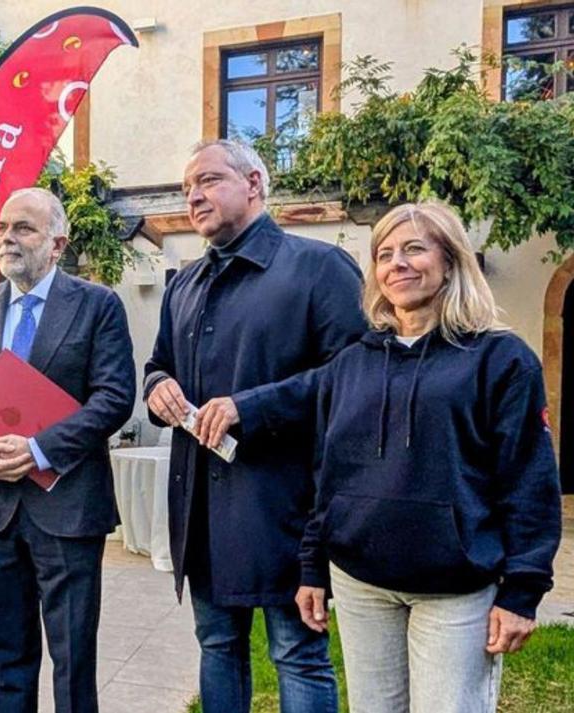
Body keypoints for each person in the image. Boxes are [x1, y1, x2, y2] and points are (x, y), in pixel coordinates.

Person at [279, 201, 563, 713]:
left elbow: (528, 479)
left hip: (456, 587)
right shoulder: (350, 365)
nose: (397, 264)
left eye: (414, 248)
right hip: (361, 582)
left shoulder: (501, 360)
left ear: (451, 260)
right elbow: (329, 475)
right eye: (384, 254)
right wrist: (312, 567)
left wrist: (522, 590)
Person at [144, 139, 364, 713]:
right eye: (188, 185)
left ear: (255, 185)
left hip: (283, 502)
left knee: (297, 652)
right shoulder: (184, 284)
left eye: (210, 180)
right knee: (216, 645)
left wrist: (252, 406)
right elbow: (157, 364)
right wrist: (156, 388)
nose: (194, 195)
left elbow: (355, 377)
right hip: (200, 509)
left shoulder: (319, 268)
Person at [0, 187, 135, 713]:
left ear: (57, 243)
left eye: (23, 228)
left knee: (72, 663)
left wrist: (40, 448)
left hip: (68, 510)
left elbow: (114, 397)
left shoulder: (97, 306)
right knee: (8, 657)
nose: (7, 238)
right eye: (2, 228)